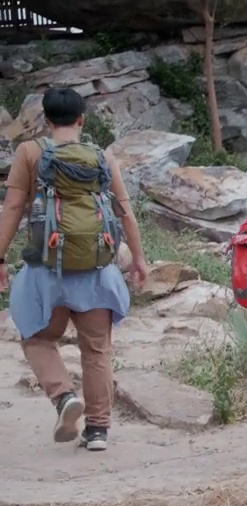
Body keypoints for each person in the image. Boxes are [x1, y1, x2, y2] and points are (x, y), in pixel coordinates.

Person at [0, 88, 149, 451]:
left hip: (45, 273)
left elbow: (13, 207)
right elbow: (124, 211)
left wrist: (0, 258)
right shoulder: (102, 157)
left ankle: (64, 396)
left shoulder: (30, 152)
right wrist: (140, 260)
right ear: (82, 119)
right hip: (96, 271)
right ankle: (98, 430)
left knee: (35, 337)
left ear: (45, 121)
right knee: (97, 349)